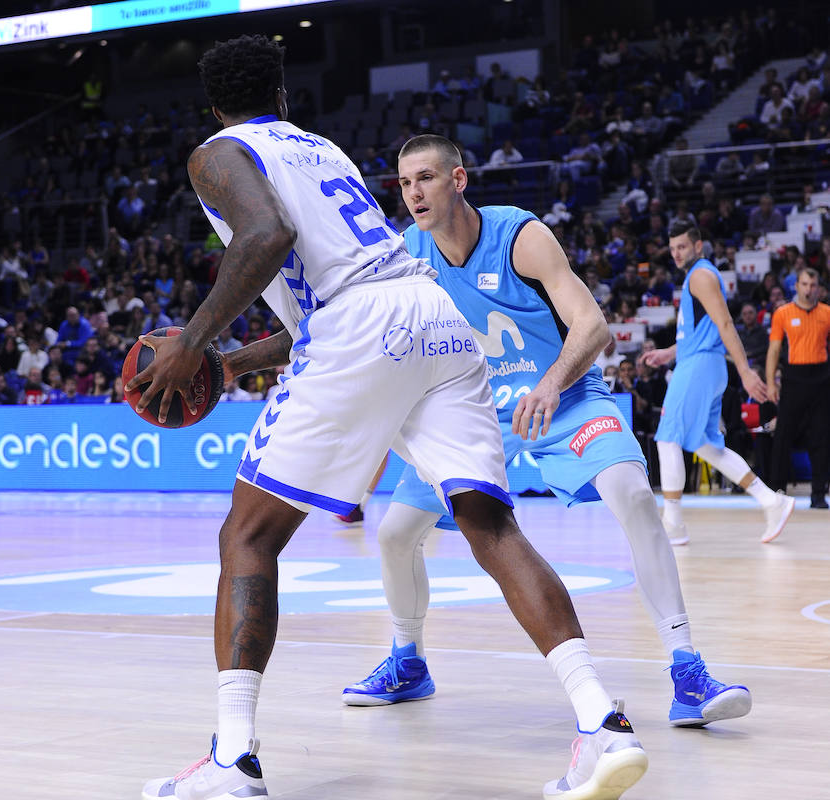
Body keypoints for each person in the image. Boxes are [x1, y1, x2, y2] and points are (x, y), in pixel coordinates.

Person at [127, 36, 647, 800]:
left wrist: (192, 345)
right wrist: (235, 362)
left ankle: (232, 759)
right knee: (491, 525)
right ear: (285, 98)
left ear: (213, 109)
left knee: (248, 537)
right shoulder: (322, 149)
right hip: (430, 317)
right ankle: (601, 724)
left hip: (360, 331)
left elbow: (267, 238)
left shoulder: (216, 153)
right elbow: (345, 286)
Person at [339, 134, 751, 737]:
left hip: (564, 396)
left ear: (459, 180)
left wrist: (553, 382)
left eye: (425, 178)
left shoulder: (519, 236)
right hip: (475, 413)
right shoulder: (410, 253)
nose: (413, 194)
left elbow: (593, 326)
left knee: (634, 496)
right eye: (403, 183)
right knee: (396, 534)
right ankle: (408, 661)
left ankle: (688, 672)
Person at [641, 222, 794, 544]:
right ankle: (772, 501)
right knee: (705, 446)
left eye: (682, 246)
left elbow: (725, 323)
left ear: (698, 245)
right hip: (701, 364)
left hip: (699, 367)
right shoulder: (697, 276)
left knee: (667, 439)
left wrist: (746, 371)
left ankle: (674, 525)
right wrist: (669, 353)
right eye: (672, 249)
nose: (676, 253)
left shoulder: (701, 275)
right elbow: (701, 332)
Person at [765, 268, 830, 508]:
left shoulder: (827, 313)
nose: (809, 289)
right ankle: (777, 492)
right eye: (804, 284)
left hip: (821, 378)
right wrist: (771, 382)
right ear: (797, 286)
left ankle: (818, 495)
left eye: (813, 285)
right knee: (783, 436)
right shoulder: (782, 313)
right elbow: (773, 350)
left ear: (818, 288)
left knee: (822, 437)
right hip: (794, 378)